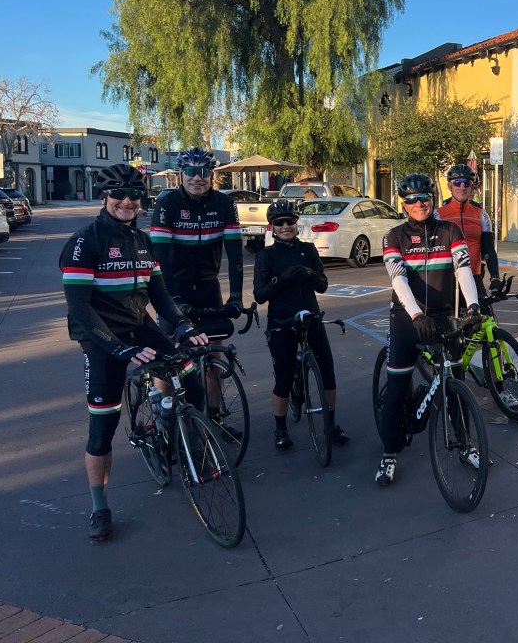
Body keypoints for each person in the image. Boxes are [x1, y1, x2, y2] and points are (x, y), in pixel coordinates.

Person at [60, 164, 208, 542]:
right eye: (119, 195)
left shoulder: (143, 241)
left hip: (139, 325)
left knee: (190, 374)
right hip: (101, 337)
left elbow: (159, 294)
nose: (127, 201)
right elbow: (80, 308)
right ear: (105, 197)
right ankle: (99, 507)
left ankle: (179, 432)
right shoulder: (84, 242)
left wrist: (183, 326)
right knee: (102, 429)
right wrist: (118, 347)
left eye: (134, 195)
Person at [377, 173, 481, 486]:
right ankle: (389, 454)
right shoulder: (394, 236)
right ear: (403, 204)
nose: (419, 204)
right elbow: (398, 279)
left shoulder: (450, 231)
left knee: (456, 381)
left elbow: (463, 270)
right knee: (397, 387)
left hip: (442, 314)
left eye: (424, 198)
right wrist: (415, 314)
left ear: (432, 199)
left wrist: (473, 307)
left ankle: (465, 443)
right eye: (411, 199)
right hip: (406, 316)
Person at [150, 147, 243, 434]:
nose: (197, 178)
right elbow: (160, 261)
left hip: (207, 285)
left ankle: (215, 417)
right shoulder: (167, 204)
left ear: (211, 176)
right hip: (173, 286)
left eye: (203, 172)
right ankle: (164, 419)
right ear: (181, 174)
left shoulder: (224, 204)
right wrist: (173, 300)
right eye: (191, 172)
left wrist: (236, 296)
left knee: (213, 355)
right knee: (169, 355)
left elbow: (236, 256)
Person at [252, 200, 349, 450]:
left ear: (297, 224)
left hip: (311, 318)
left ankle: (331, 424)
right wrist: (281, 280)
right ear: (272, 227)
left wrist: (311, 274)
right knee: (284, 378)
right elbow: (260, 295)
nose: (285, 226)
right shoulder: (266, 255)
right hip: (281, 321)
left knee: (328, 372)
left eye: (290, 222)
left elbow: (323, 285)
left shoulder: (308, 249)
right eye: (279, 223)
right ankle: (281, 429)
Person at [436, 163, 502, 296]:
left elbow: (488, 249)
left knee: (484, 309)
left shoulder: (481, 215)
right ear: (449, 186)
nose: (462, 187)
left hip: (473, 276)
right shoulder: (437, 215)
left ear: (471, 188)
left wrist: (495, 277)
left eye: (467, 183)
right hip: (445, 278)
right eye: (457, 183)